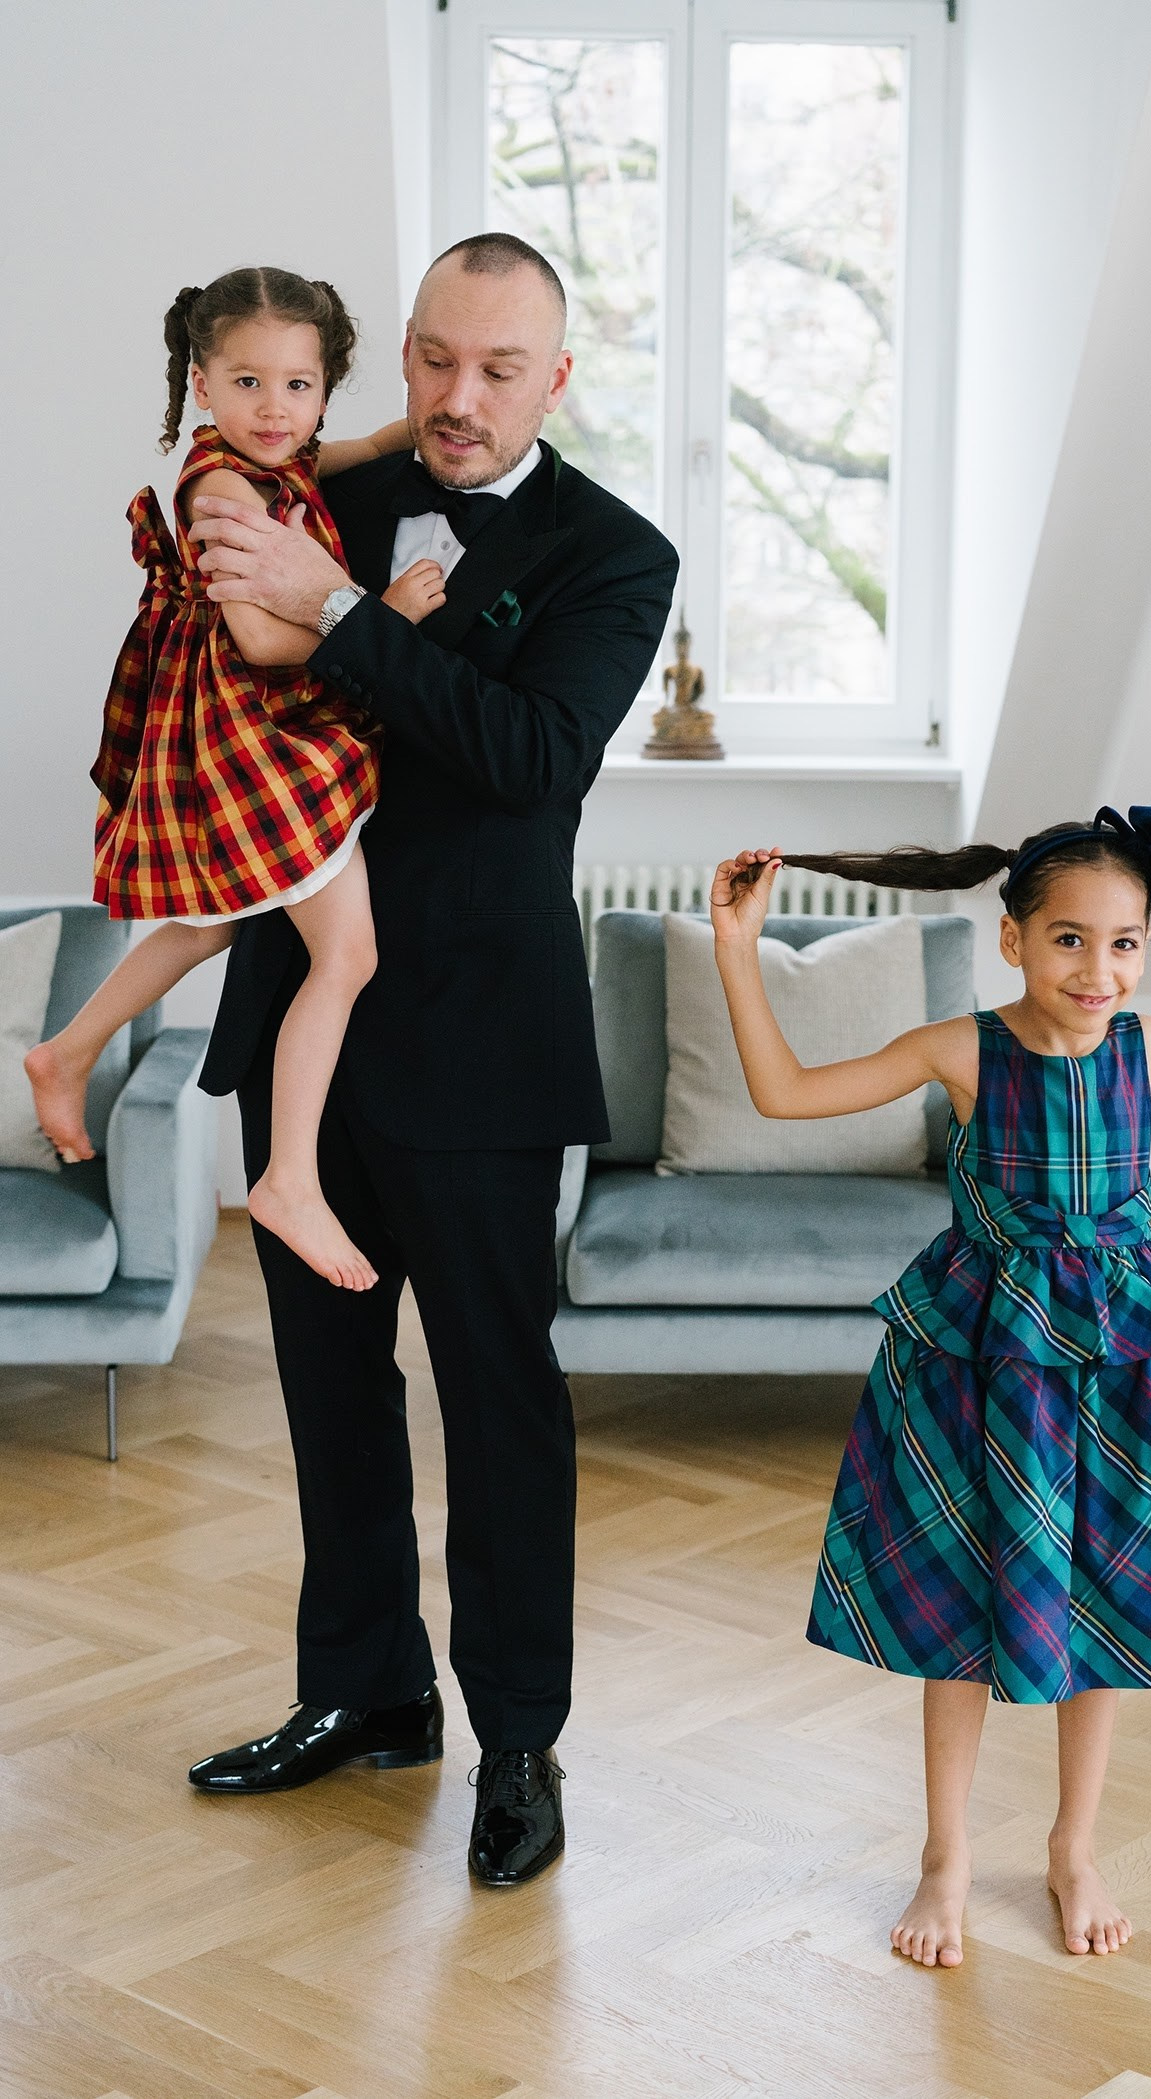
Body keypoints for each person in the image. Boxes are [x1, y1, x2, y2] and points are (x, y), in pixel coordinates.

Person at [180, 234, 679, 1887]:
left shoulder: (619, 552)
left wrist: (331, 615)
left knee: (498, 1405)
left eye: (499, 369)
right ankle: (366, 1692)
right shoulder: (329, 478)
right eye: (432, 359)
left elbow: (530, 760)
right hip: (304, 1034)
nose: (457, 400)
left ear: (559, 378)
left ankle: (517, 1739)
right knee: (328, 1400)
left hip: (482, 1047)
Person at [710, 809, 1151, 1964]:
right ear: (1012, 939)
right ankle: (946, 1855)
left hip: (1119, 1371)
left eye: (1123, 943)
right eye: (1068, 939)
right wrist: (734, 947)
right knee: (964, 1615)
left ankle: (1074, 1845)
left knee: (1099, 1599)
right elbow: (783, 1094)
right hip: (984, 1367)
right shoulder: (960, 1048)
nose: (1097, 968)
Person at [26, 266, 423, 1289]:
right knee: (347, 957)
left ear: (325, 389)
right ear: (201, 382)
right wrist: (388, 620)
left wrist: (387, 440)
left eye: (300, 385)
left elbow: (315, 457)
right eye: (248, 382)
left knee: (211, 921)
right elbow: (256, 633)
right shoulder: (217, 486)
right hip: (259, 738)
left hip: (234, 733)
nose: (276, 408)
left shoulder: (267, 459)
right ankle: (289, 1178)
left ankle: (67, 1048)